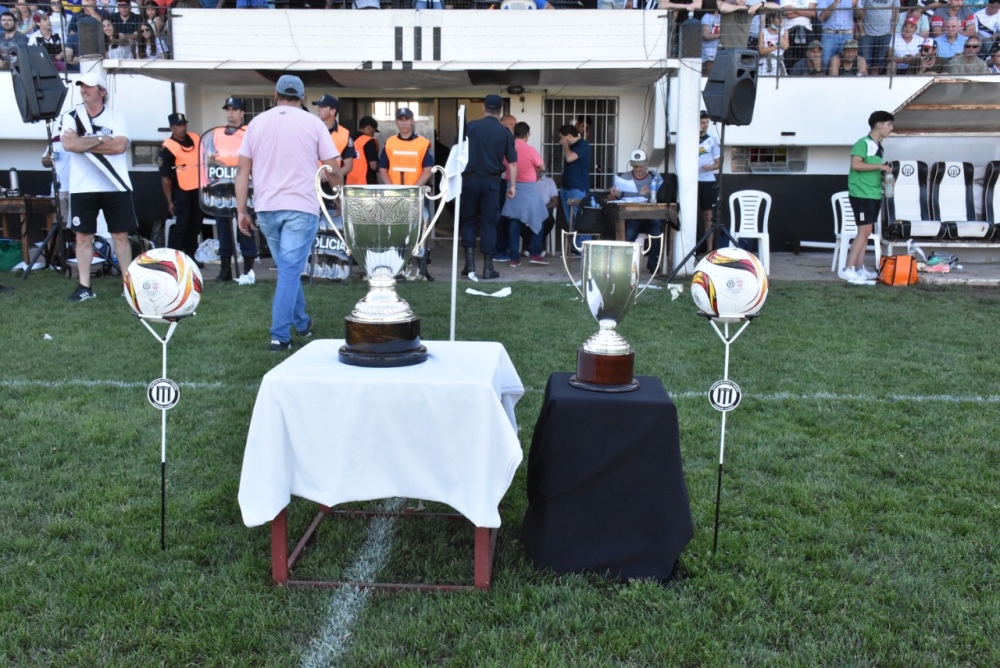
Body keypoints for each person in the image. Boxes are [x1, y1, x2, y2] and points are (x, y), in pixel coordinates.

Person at [236, 74, 340, 352]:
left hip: (267, 208)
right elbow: (332, 169)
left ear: (275, 95)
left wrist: (241, 210)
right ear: (303, 98)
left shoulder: (256, 123)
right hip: (301, 207)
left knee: (288, 271)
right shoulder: (314, 123)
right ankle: (279, 335)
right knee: (289, 272)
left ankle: (302, 322)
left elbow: (242, 171)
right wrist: (339, 198)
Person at [60, 70, 138, 302]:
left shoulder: (116, 117)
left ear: (102, 92)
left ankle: (128, 285)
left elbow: (119, 147)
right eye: (82, 86)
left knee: (120, 235)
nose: (84, 90)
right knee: (83, 236)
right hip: (82, 187)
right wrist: (103, 138)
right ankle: (85, 286)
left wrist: (83, 143)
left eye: (89, 86)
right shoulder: (70, 116)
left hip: (116, 184)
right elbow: (68, 145)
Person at [459, 94, 517, 280]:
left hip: (469, 180)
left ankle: (469, 265)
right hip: (492, 181)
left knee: (468, 220)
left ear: (484, 108)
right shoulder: (505, 133)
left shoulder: (470, 127)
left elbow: (456, 153)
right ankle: (488, 268)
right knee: (489, 223)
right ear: (500, 111)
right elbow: (513, 163)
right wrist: (512, 186)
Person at [206, 96, 258, 282]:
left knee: (246, 226)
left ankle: (248, 270)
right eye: (227, 109)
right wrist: (216, 163)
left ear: (242, 113)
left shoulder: (249, 132)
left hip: (245, 186)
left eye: (234, 109)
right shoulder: (216, 133)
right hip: (222, 186)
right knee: (223, 228)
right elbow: (209, 157)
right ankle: (225, 269)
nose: (230, 112)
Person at [842, 110, 893, 285]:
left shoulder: (879, 146)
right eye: (889, 124)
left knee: (866, 232)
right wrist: (881, 166)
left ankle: (859, 268)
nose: (891, 128)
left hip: (873, 193)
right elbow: (856, 164)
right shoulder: (862, 143)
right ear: (879, 124)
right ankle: (848, 269)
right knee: (863, 231)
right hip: (861, 194)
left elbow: (870, 168)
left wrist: (883, 176)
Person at [501, 122, 549, 268]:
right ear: (527, 134)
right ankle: (534, 252)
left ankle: (514, 258)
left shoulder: (508, 148)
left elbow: (503, 166)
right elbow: (543, 167)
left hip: (512, 188)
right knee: (539, 218)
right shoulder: (530, 149)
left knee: (514, 224)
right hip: (529, 189)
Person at [606, 149, 663, 273]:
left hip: (650, 214)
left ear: (647, 163)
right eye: (635, 166)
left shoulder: (654, 177)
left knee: (657, 231)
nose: (637, 169)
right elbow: (614, 197)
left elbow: (664, 196)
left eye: (640, 166)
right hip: (631, 216)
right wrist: (614, 193)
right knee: (629, 233)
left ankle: (653, 264)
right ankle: (626, 265)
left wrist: (653, 191)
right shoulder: (625, 177)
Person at [159, 112, 203, 262]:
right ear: (171, 128)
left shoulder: (196, 138)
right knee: (181, 226)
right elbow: (165, 178)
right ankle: (172, 258)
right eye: (178, 125)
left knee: (195, 225)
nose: (182, 128)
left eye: (183, 124)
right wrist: (169, 202)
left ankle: (191, 256)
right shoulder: (167, 148)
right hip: (181, 191)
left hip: (198, 189)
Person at [557, 123, 590, 244]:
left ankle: (585, 249)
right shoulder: (574, 146)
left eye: (561, 137)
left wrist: (565, 145)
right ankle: (575, 249)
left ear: (569, 136)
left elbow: (569, 158)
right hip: (567, 188)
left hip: (577, 189)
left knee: (580, 220)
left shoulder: (583, 144)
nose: (560, 141)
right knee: (570, 222)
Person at [313, 94, 356, 181]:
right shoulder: (310, 130)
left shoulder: (344, 133)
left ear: (332, 111)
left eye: (322, 106)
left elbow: (348, 165)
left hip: (333, 186)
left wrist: (333, 177)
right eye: (318, 106)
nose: (318, 109)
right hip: (311, 183)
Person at [697, 111, 721, 252]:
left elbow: (718, 163)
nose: (705, 125)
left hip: (707, 180)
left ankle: (709, 249)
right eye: (702, 122)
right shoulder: (688, 137)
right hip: (692, 181)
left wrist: (710, 167)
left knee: (708, 217)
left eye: (707, 122)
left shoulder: (712, 139)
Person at [494, 113, 516, 263]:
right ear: (504, 124)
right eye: (511, 125)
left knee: (502, 217)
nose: (513, 129)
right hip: (498, 181)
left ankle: (500, 248)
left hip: (500, 181)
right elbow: (512, 163)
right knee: (500, 217)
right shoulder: (503, 138)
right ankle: (499, 250)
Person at [858, 0, 899, 75]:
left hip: (885, 34)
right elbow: (859, 10)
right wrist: (861, 31)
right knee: (864, 63)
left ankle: (873, 84)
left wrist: (892, 30)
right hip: (867, 33)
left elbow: (895, 11)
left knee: (877, 65)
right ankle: (863, 84)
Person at [817, 0, 856, 68]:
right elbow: (821, 17)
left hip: (847, 35)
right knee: (825, 63)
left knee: (846, 64)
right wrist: (835, 2)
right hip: (829, 34)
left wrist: (856, 6)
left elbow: (861, 16)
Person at [346, 116, 379, 185]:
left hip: (349, 183)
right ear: (369, 128)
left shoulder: (348, 140)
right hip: (366, 184)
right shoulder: (369, 141)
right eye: (373, 131)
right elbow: (374, 165)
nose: (373, 135)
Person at [702, 10, 721, 75]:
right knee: (708, 76)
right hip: (708, 52)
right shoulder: (707, 16)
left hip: (719, 52)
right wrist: (719, 35)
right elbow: (706, 35)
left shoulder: (721, 17)